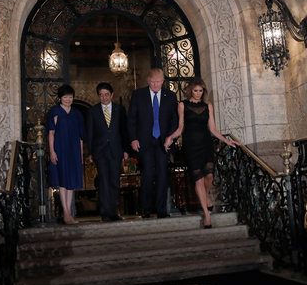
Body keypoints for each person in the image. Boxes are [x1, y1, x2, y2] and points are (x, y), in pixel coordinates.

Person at [164, 78, 238, 228]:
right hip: (191, 146)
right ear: (190, 90)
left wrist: (226, 141)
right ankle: (207, 214)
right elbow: (180, 128)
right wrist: (170, 138)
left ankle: (206, 196)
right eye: (195, 90)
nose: (198, 93)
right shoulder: (182, 105)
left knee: (209, 176)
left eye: (200, 91)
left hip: (206, 144)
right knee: (198, 179)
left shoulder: (207, 106)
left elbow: (212, 129)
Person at [128, 68, 179, 219]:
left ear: (163, 81)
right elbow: (132, 119)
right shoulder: (138, 95)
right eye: (153, 82)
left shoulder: (170, 96)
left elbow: (174, 120)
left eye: (159, 82)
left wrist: (170, 137)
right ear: (148, 81)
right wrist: (133, 138)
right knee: (148, 175)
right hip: (145, 142)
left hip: (164, 143)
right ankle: (146, 209)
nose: (156, 84)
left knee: (163, 175)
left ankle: (162, 210)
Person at [86, 82, 129, 222]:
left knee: (115, 181)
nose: (104, 97)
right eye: (101, 95)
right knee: (103, 181)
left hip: (116, 150)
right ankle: (105, 212)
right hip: (100, 151)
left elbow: (124, 131)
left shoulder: (119, 109)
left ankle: (114, 212)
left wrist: (125, 150)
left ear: (112, 95)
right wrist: (90, 153)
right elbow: (90, 133)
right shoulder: (93, 111)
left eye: (106, 94)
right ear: (98, 96)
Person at [47, 84, 85, 225]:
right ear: (60, 98)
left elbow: (81, 137)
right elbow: (51, 133)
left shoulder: (77, 114)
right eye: (65, 97)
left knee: (72, 183)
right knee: (63, 181)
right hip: (60, 149)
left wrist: (80, 155)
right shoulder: (55, 112)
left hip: (74, 150)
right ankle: (66, 213)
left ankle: (69, 212)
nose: (68, 99)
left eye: (70, 97)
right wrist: (52, 151)